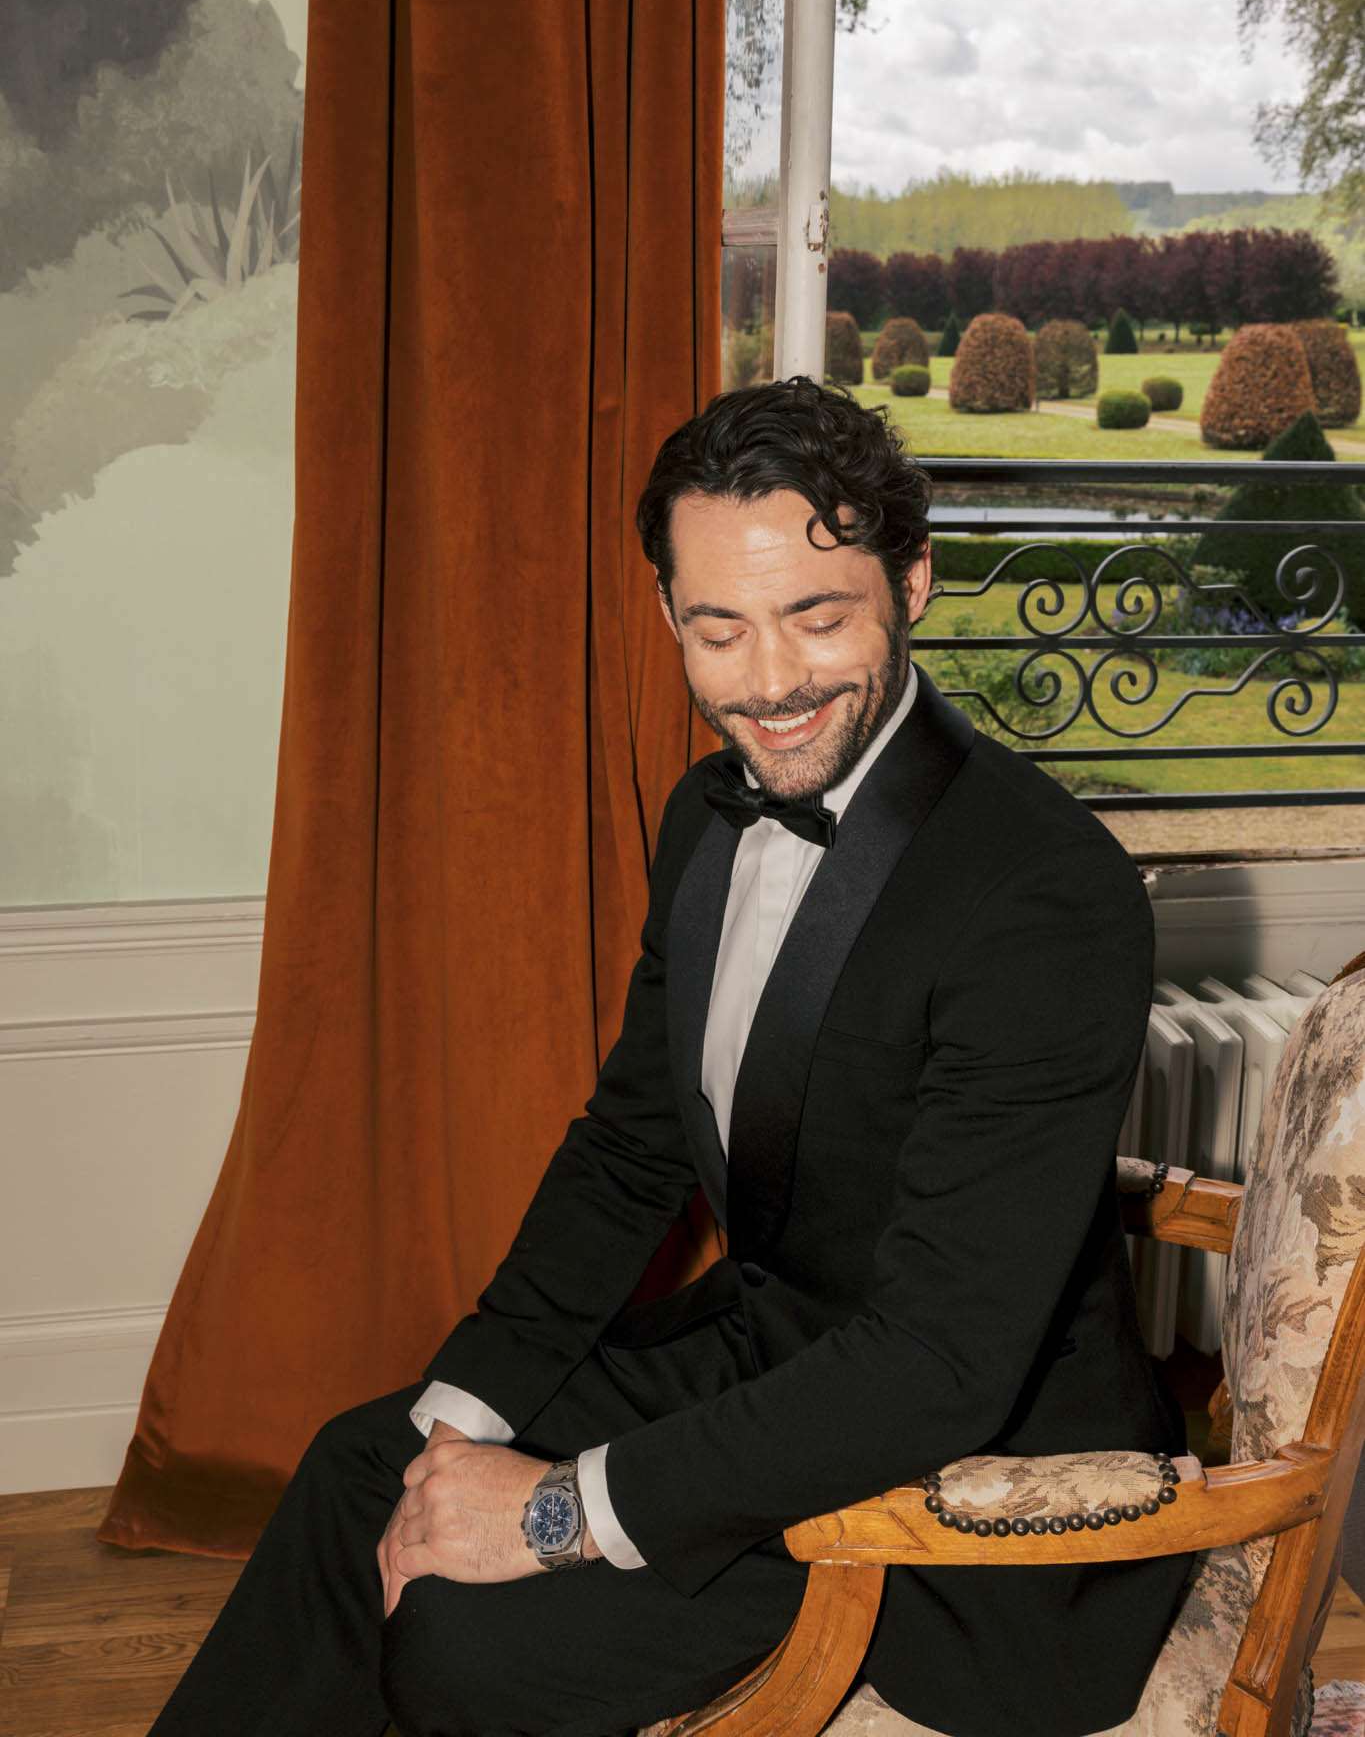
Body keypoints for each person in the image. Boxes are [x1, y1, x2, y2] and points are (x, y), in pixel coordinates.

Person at [149, 376, 1191, 1737]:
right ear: (667, 618)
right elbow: (631, 1147)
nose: (767, 683)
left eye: (817, 616)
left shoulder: (1044, 894)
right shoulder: (709, 821)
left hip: (967, 1492)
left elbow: (937, 1363)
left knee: (475, 1638)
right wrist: (463, 1429)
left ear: (914, 581)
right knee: (372, 1462)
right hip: (777, 1359)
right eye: (719, 629)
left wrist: (547, 1510)